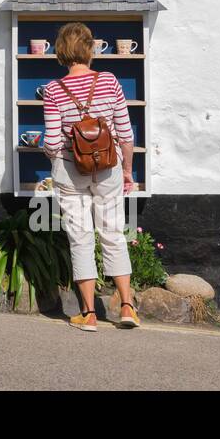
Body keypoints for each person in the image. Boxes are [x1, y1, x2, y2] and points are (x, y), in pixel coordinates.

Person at [41, 22, 139, 331]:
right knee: (113, 235)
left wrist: (58, 156)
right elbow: (125, 133)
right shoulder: (109, 81)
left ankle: (89, 314)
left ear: (60, 50)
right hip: (108, 169)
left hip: (71, 173)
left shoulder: (53, 90)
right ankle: (126, 307)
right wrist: (126, 169)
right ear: (90, 48)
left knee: (80, 238)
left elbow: (53, 142)